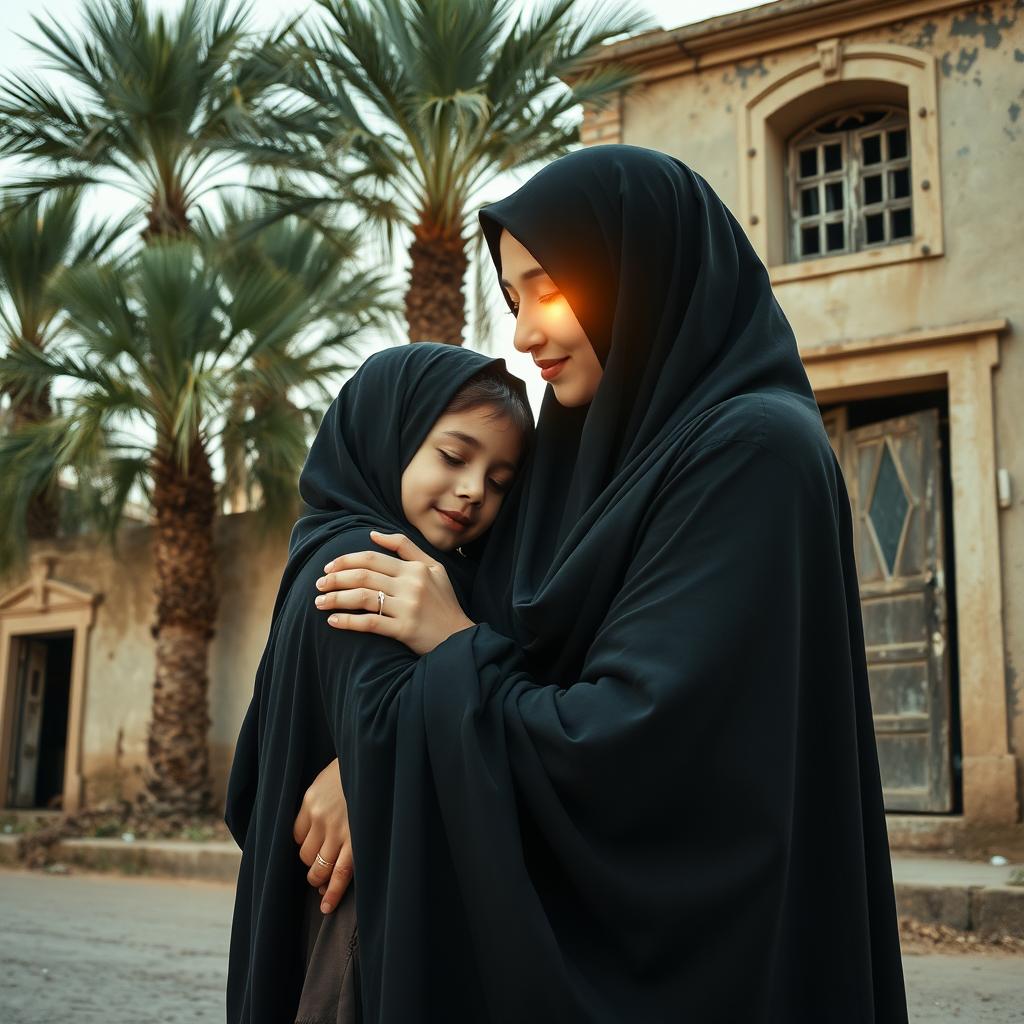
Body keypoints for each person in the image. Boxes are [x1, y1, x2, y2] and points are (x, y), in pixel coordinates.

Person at [307, 145, 909, 1022]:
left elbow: (636, 743)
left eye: (551, 288)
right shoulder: (586, 460)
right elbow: (528, 655)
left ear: (642, 272)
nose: (523, 333)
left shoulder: (753, 454)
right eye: (513, 300)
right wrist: (384, 757)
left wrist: (445, 670)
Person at [224, 343, 532, 1024]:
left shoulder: (418, 571)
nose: (474, 489)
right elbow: (384, 726)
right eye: (454, 457)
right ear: (388, 433)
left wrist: (357, 767)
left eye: (501, 479)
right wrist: (368, 765)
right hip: (350, 932)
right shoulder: (365, 564)